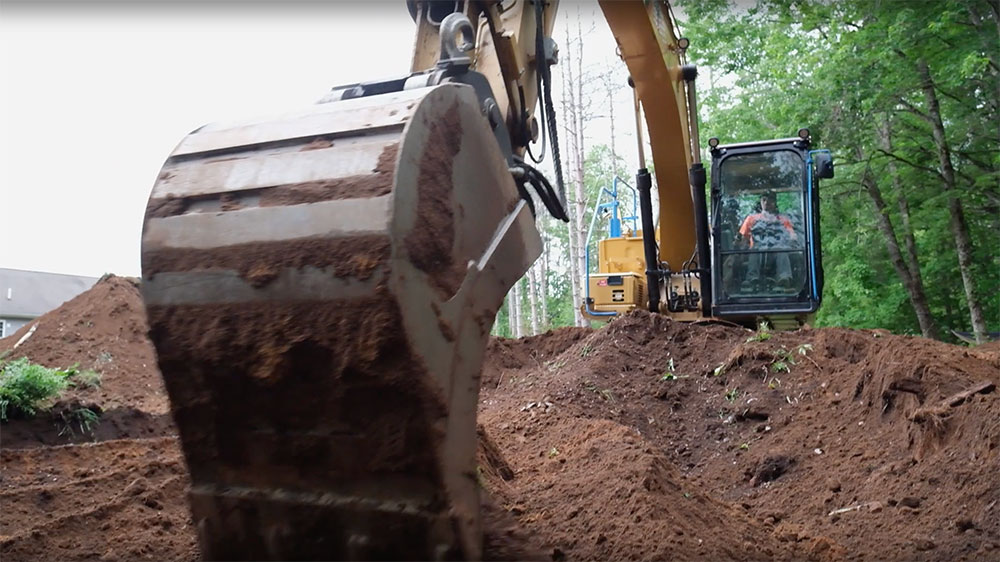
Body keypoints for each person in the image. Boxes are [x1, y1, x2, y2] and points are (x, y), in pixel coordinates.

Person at [738, 192, 797, 289]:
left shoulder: (783, 220)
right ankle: (752, 278)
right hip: (757, 252)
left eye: (770, 200)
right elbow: (743, 238)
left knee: (781, 249)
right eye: (764, 200)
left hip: (776, 252)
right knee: (755, 249)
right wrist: (740, 250)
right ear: (760, 202)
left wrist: (792, 240)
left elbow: (792, 235)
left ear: (775, 202)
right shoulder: (751, 219)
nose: (766, 202)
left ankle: (784, 278)